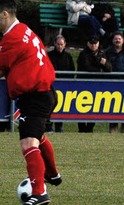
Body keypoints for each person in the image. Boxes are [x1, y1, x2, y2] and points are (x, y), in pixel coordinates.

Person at [0, 0, 62, 203]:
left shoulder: (12, 39)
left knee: (28, 143)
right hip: (44, 92)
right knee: (38, 136)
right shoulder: (24, 29)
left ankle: (39, 193)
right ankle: (52, 174)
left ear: (4, 15)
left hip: (35, 95)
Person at [77, 37, 112, 133]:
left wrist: (105, 64)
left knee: (94, 107)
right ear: (88, 43)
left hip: (96, 85)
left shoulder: (102, 53)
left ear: (98, 43)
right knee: (82, 106)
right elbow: (86, 67)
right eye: (91, 43)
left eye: (95, 43)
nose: (93, 45)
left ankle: (90, 128)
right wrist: (100, 68)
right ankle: (82, 128)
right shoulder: (83, 54)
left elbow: (109, 68)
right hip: (84, 85)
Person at [47, 35, 75, 133]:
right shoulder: (49, 55)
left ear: (65, 45)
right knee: (50, 106)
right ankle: (49, 126)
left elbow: (72, 70)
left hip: (64, 86)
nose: (59, 46)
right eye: (58, 44)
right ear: (55, 44)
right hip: (51, 86)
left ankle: (59, 126)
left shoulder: (68, 56)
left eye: (61, 44)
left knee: (62, 106)